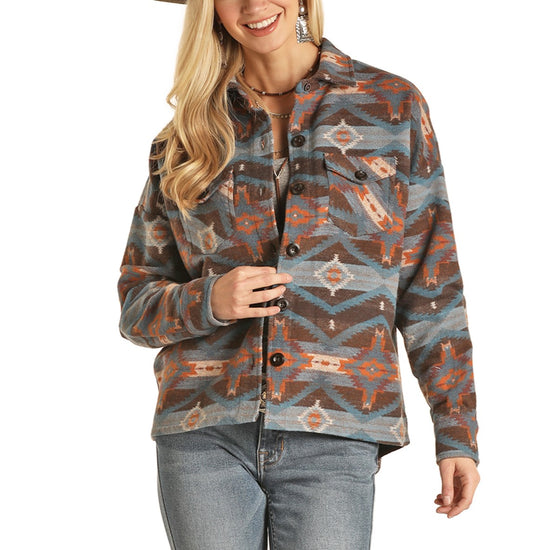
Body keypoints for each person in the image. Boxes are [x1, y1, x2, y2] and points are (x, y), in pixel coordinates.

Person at [118, 0, 480, 548]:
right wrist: (209, 300)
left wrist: (456, 432)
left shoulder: (391, 106)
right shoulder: (186, 138)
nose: (254, 4)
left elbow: (432, 284)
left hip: (337, 426)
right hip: (203, 431)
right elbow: (136, 304)